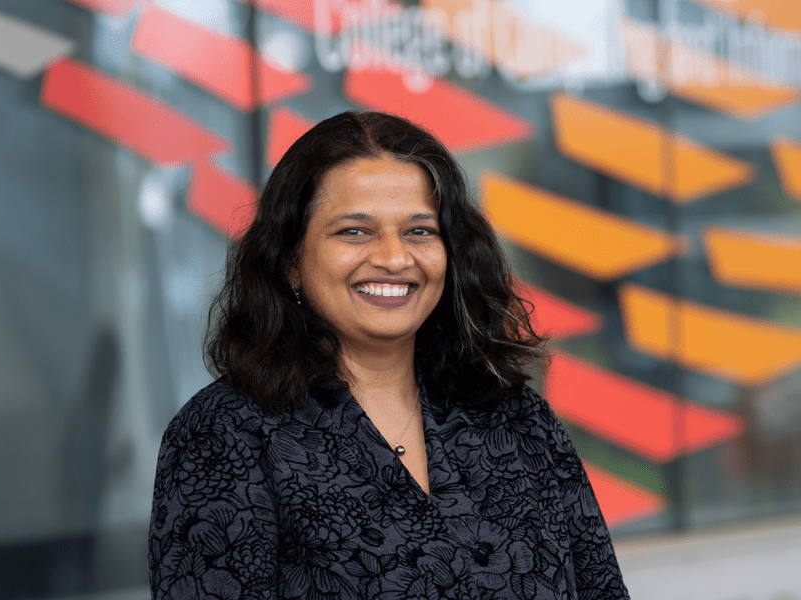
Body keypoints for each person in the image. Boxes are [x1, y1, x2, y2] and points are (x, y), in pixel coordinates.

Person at [148, 111, 630, 599]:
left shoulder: (517, 420)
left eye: (419, 231)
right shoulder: (225, 434)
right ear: (291, 262)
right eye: (354, 232)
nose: (395, 259)